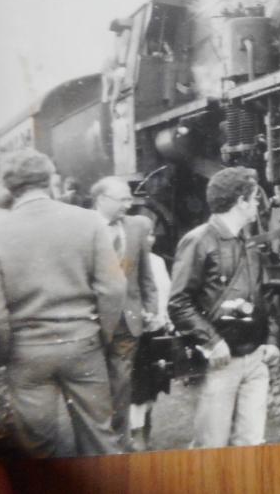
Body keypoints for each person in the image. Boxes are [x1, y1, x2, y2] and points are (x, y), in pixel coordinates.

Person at [0, 150, 126, 457]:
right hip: (83, 344)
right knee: (100, 440)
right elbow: (113, 287)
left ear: (10, 187)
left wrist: (6, 354)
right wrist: (101, 335)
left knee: (39, 449)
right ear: (50, 179)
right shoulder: (89, 222)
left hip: (27, 354)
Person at [168, 167, 280, 449]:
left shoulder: (248, 242)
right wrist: (212, 342)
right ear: (240, 200)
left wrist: (271, 341)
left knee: (251, 444)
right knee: (212, 448)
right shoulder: (198, 240)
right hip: (221, 361)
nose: (258, 204)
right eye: (255, 198)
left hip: (255, 359)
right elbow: (178, 302)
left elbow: (262, 296)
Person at [91, 176, 158, 448]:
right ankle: (97, 443)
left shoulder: (137, 227)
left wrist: (151, 309)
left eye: (130, 198)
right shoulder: (84, 227)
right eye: (123, 199)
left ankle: (119, 443)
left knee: (121, 386)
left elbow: (146, 275)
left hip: (127, 323)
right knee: (93, 389)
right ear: (102, 200)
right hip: (92, 322)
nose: (129, 204)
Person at [127, 228, 172, 452]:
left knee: (156, 382)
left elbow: (167, 293)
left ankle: (147, 428)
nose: (149, 239)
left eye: (152, 234)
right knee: (138, 386)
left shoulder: (158, 262)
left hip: (158, 329)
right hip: (136, 333)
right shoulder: (126, 260)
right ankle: (136, 435)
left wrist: (168, 320)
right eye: (143, 235)